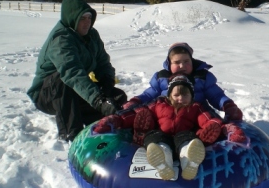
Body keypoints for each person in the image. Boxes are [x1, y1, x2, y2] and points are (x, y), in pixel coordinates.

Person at [96, 75, 246, 180]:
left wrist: (221, 127)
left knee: (188, 139)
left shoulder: (195, 107)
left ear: (191, 95)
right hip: (161, 134)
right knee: (156, 138)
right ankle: (162, 161)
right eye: (176, 95)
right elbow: (135, 113)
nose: (181, 98)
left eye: (185, 94)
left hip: (183, 135)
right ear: (169, 95)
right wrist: (117, 120)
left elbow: (208, 120)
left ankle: (190, 161)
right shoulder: (158, 104)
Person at [27, 0, 127, 142]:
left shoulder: (92, 35)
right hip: (47, 94)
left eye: (89, 18)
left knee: (117, 97)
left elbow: (103, 63)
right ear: (72, 18)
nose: (87, 23)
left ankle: (107, 127)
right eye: (82, 19)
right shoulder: (61, 40)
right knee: (62, 81)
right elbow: (72, 74)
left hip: (74, 91)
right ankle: (72, 134)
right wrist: (98, 100)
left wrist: (106, 85)